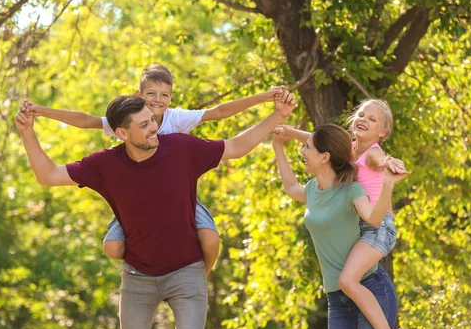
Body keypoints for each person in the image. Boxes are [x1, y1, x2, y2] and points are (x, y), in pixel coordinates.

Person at [14, 91, 296, 329]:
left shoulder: (181, 148)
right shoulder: (105, 165)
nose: (154, 128)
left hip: (187, 271)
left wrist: (277, 116)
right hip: (137, 278)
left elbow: (237, 147)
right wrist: (28, 133)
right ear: (122, 133)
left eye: (153, 121)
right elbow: (48, 175)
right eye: (145, 125)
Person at [19, 63, 283, 274]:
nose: (158, 101)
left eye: (164, 95)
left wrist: (263, 98)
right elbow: (83, 120)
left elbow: (220, 111)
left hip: (176, 198)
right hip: (138, 203)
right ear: (138, 96)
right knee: (112, 247)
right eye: (151, 94)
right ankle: (142, 266)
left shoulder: (176, 118)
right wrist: (43, 111)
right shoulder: (127, 121)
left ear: (171, 97)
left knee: (210, 239)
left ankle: (202, 274)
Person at [272, 123, 407, 329]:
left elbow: (374, 218)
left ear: (325, 157)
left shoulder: (351, 190)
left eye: (308, 147)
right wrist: (277, 147)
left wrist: (388, 185)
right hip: (337, 300)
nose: (303, 150)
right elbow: (290, 187)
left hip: (370, 289)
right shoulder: (311, 190)